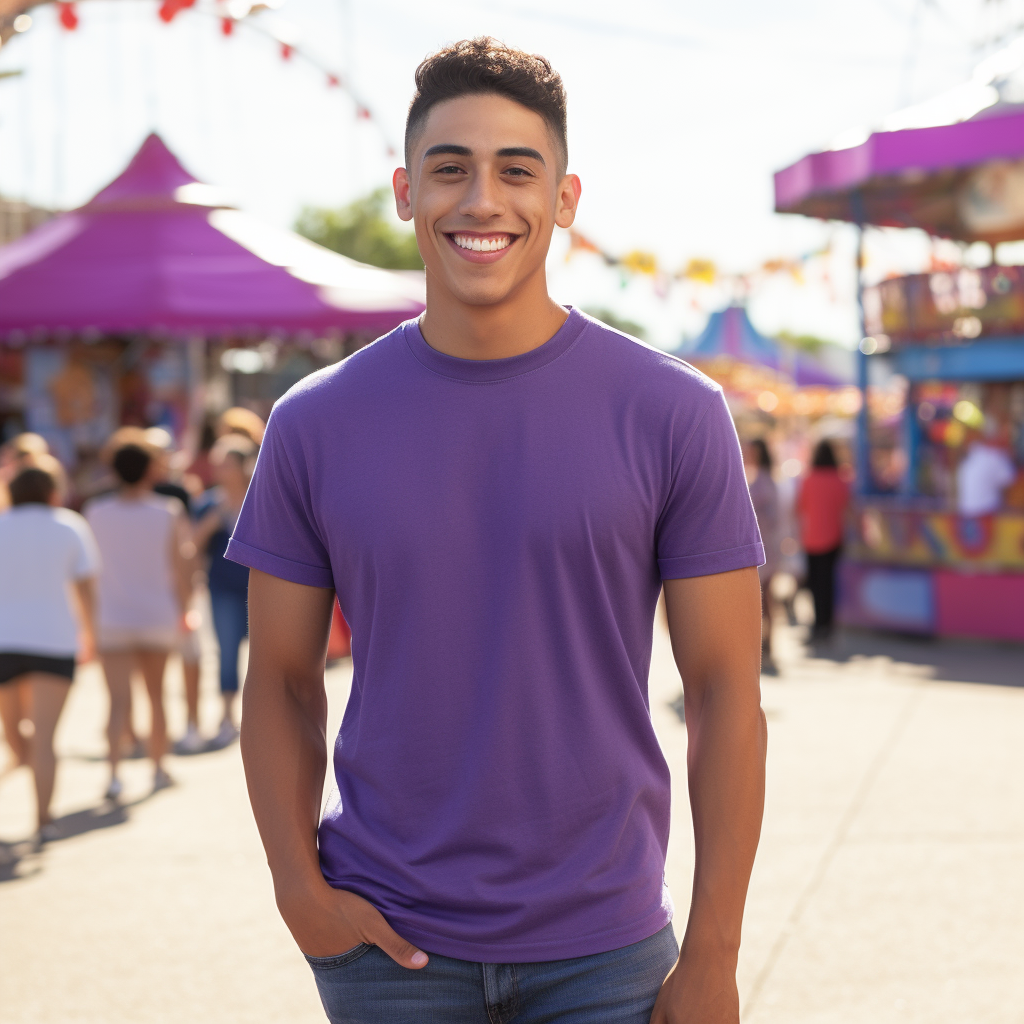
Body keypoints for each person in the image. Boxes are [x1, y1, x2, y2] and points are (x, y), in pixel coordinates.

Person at [230, 38, 767, 1024]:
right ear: (405, 190)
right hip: (386, 948)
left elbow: (728, 690)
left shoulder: (671, 411)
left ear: (564, 199)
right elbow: (277, 677)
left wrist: (715, 956)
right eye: (450, 168)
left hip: (608, 954)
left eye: (517, 170)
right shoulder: (314, 420)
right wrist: (295, 886)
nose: (482, 199)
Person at [0, 458, 99, 840]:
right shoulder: (70, 526)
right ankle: (43, 822)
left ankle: (35, 807)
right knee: (45, 739)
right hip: (55, 640)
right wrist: (90, 635)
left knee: (15, 736)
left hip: (5, 641)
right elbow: (86, 589)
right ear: (53, 490)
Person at [85, 441, 191, 797]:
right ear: (151, 470)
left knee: (117, 701)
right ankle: (159, 768)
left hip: (112, 616)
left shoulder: (95, 512)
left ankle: (114, 775)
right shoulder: (168, 511)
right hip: (157, 614)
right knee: (157, 696)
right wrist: (185, 609)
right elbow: (180, 569)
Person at [194, 435, 257, 748]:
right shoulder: (208, 503)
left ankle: (261, 716)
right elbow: (193, 544)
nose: (221, 470)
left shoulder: (261, 497)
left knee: (265, 654)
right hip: (222, 588)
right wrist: (212, 520)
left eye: (228, 464)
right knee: (227, 650)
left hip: (260, 588)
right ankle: (227, 715)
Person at [796, 439, 850, 642]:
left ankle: (817, 625)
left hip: (811, 539)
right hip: (835, 538)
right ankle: (828, 625)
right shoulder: (840, 479)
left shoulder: (808, 480)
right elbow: (847, 508)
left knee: (815, 584)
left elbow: (799, 509)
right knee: (829, 583)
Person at [744, 438, 780, 662]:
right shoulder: (759, 479)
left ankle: (767, 641)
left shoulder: (764, 481)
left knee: (764, 597)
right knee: (763, 597)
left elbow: (773, 517)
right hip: (763, 544)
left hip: (765, 545)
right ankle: (765, 641)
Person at [956, 430, 1016, 517]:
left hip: (967, 515)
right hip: (988, 515)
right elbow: (1011, 483)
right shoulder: (995, 455)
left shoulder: (968, 459)